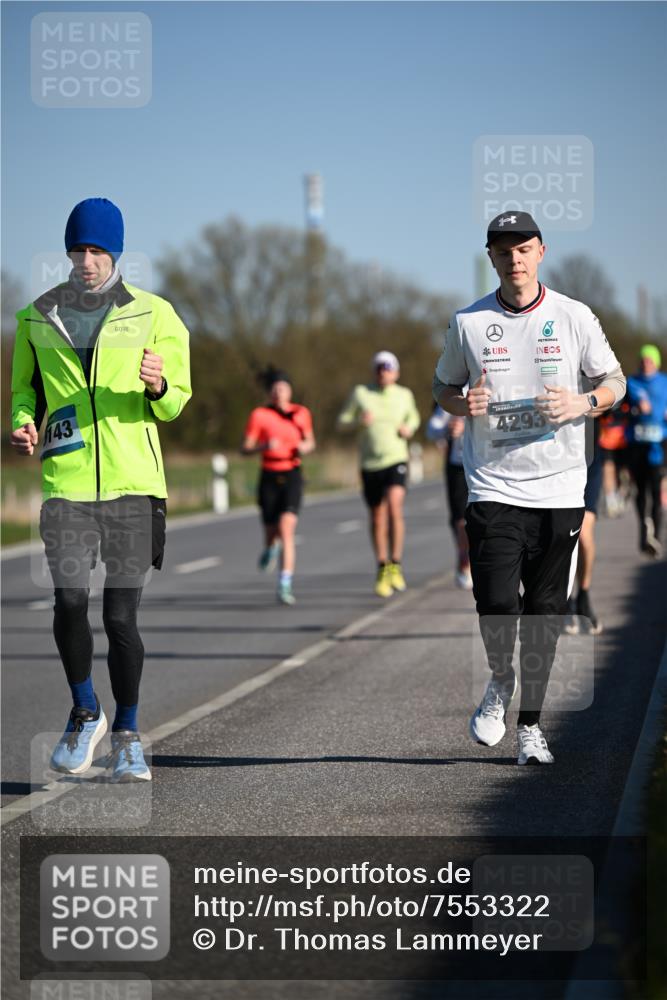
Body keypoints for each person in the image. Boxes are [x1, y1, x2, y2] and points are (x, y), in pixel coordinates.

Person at [433, 210, 626, 765]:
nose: (514, 259)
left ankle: (531, 727)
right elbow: (442, 386)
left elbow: (615, 381)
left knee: (544, 613)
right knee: (495, 601)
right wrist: (460, 403)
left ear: (541, 252)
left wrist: (584, 402)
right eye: (503, 251)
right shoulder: (468, 323)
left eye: (524, 249)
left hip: (560, 487)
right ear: (490, 258)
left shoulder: (574, 316)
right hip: (493, 484)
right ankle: (500, 678)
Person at [11, 197, 191, 781]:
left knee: (120, 618)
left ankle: (130, 736)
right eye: (77, 250)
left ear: (114, 252)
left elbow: (178, 400)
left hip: (134, 486)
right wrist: (20, 420)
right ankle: (86, 709)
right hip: (65, 481)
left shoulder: (155, 314)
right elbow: (24, 391)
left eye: (96, 250)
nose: (85, 260)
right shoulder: (35, 317)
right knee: (67, 600)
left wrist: (159, 383)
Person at [337, 351, 420, 598]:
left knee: (395, 506)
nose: (384, 373)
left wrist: (409, 428)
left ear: (396, 372)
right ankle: (382, 565)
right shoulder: (361, 393)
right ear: (375, 371)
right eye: (379, 369)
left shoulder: (405, 394)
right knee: (376, 515)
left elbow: (414, 418)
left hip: (396, 459)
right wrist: (358, 422)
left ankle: (396, 563)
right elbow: (341, 422)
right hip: (370, 463)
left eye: (388, 369)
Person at [241, 368, 315, 606]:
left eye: (282, 388)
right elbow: (244, 448)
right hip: (269, 475)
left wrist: (305, 448)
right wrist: (263, 447)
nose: (278, 392)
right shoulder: (259, 415)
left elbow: (311, 441)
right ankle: (269, 549)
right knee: (271, 533)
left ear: (289, 391)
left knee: (287, 529)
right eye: (274, 388)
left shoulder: (301, 413)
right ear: (269, 392)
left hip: (292, 472)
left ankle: (285, 583)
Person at [626, 344, 667, 558]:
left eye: (650, 360)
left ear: (657, 362)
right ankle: (644, 529)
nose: (646, 363)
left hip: (658, 447)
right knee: (640, 492)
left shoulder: (665, 382)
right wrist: (635, 408)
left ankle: (656, 538)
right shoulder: (631, 383)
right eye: (643, 359)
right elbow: (622, 409)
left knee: (656, 491)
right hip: (637, 445)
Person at [426, 403, 472, 589]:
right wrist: (447, 428)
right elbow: (432, 428)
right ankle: (465, 562)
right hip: (459, 464)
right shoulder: (455, 393)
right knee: (460, 518)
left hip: (489, 463)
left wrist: (468, 427)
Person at [564, 418, 604, 635]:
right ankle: (566, 600)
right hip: (556, 461)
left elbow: (611, 395)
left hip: (589, 460)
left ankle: (584, 596)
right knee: (561, 535)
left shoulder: (591, 383)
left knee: (583, 534)